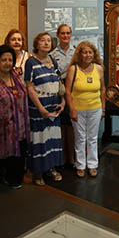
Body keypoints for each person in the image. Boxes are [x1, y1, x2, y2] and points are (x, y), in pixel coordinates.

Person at [0, 45, 30, 189]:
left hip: (19, 126)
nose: (7, 63)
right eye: (4, 59)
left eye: (10, 60)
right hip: (1, 127)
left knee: (17, 155)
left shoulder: (15, 76)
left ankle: (14, 179)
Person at [25, 32, 65, 185]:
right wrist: (41, 108)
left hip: (54, 106)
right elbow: (30, 87)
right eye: (42, 40)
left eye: (49, 40)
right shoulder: (31, 62)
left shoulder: (53, 61)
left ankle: (51, 168)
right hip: (38, 108)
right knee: (40, 140)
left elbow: (59, 84)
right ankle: (38, 173)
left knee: (52, 139)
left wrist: (63, 102)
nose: (46, 43)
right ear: (36, 44)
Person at [64, 41, 105, 178]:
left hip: (95, 108)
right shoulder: (73, 69)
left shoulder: (99, 68)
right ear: (80, 54)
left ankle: (92, 165)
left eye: (90, 52)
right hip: (78, 109)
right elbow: (68, 92)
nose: (88, 55)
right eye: (85, 52)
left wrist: (103, 108)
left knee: (92, 138)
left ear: (94, 54)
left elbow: (103, 89)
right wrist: (72, 110)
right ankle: (80, 165)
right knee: (80, 138)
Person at [49, 24, 76, 170]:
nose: (65, 36)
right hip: (58, 90)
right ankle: (61, 157)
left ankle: (71, 158)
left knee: (71, 126)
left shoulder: (76, 52)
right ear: (58, 35)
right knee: (61, 126)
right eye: (63, 33)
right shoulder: (52, 54)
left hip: (72, 90)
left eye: (68, 33)